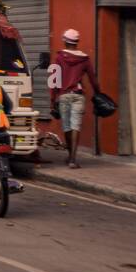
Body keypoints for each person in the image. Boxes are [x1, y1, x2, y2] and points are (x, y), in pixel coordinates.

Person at [49, 28, 99, 169]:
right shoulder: (85, 59)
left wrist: (53, 99)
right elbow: (93, 79)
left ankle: (70, 155)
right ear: (77, 42)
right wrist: (98, 92)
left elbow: (53, 80)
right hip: (78, 95)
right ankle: (72, 159)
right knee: (76, 125)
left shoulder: (58, 58)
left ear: (65, 41)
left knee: (67, 126)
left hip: (63, 95)